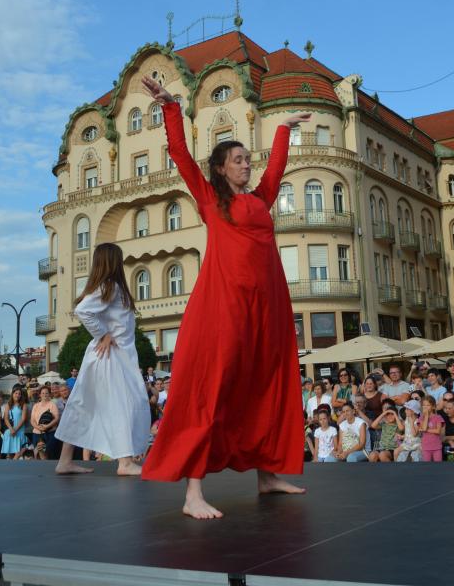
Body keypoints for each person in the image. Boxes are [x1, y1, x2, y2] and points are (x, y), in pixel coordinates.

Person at [139, 75, 309, 519]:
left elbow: (275, 171)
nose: (246, 165)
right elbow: (179, 155)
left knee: (267, 386)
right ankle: (193, 492)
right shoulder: (210, 200)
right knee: (212, 387)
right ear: (220, 168)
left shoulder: (260, 200)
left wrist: (283, 130)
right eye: (237, 160)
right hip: (225, 305)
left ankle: (268, 474)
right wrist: (170, 107)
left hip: (267, 305)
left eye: (247, 159)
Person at [53, 243, 151, 476]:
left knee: (84, 405)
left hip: (103, 356)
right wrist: (103, 334)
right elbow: (83, 310)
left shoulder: (109, 287)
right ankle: (125, 462)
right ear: (113, 262)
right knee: (124, 404)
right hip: (110, 358)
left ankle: (65, 460)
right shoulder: (111, 286)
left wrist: (103, 334)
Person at [30, 385, 61, 459]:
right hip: (37, 433)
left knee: (49, 453)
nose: (45, 395)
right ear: (40, 394)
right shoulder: (36, 406)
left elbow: (56, 418)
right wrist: (38, 427)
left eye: (46, 393)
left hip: (49, 433)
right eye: (43, 393)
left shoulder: (52, 405)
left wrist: (47, 426)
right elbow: (32, 420)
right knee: (40, 453)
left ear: (49, 394)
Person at [416, 395, 444, 462]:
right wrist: (426, 416)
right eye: (424, 405)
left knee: (438, 465)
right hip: (426, 447)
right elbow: (424, 427)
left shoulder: (438, 417)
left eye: (428, 405)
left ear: (433, 407)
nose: (425, 407)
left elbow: (438, 431)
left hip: (437, 447)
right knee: (427, 466)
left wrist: (425, 430)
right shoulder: (421, 418)